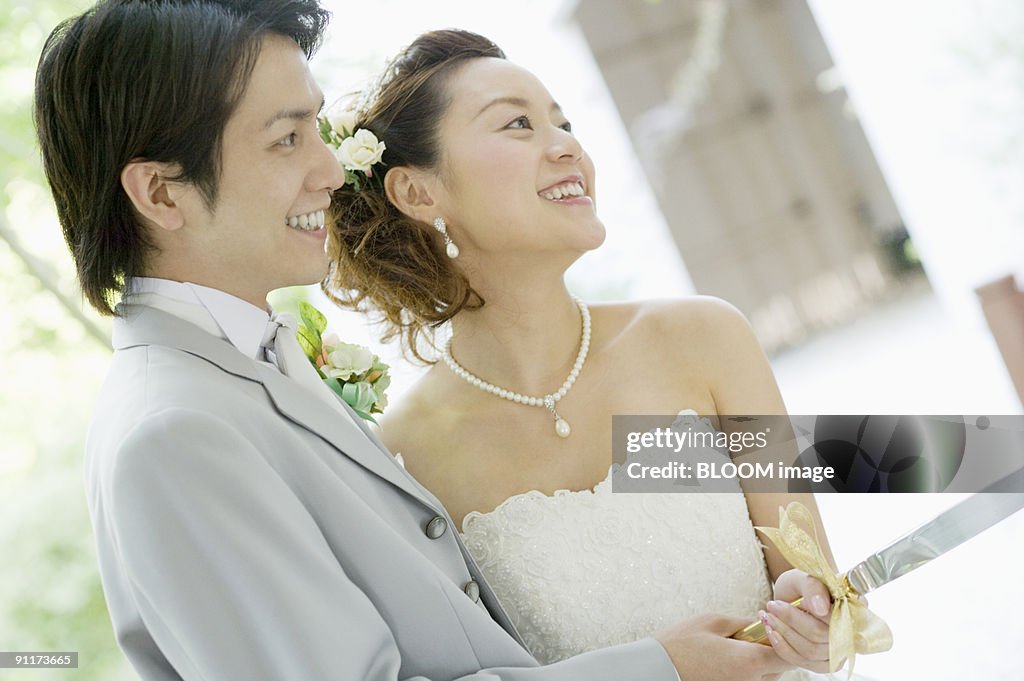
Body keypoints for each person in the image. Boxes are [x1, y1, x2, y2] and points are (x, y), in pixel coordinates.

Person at [36, 2, 809, 680]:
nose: (331, 172)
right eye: (285, 139)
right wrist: (658, 669)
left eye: (563, 120)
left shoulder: (697, 336)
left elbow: (812, 541)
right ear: (160, 192)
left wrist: (818, 603)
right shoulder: (188, 435)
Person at [325, 29, 846, 678]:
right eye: (517, 124)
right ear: (418, 193)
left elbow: (821, 588)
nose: (568, 144)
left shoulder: (705, 339)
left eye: (564, 122)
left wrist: (818, 620)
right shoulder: (406, 456)